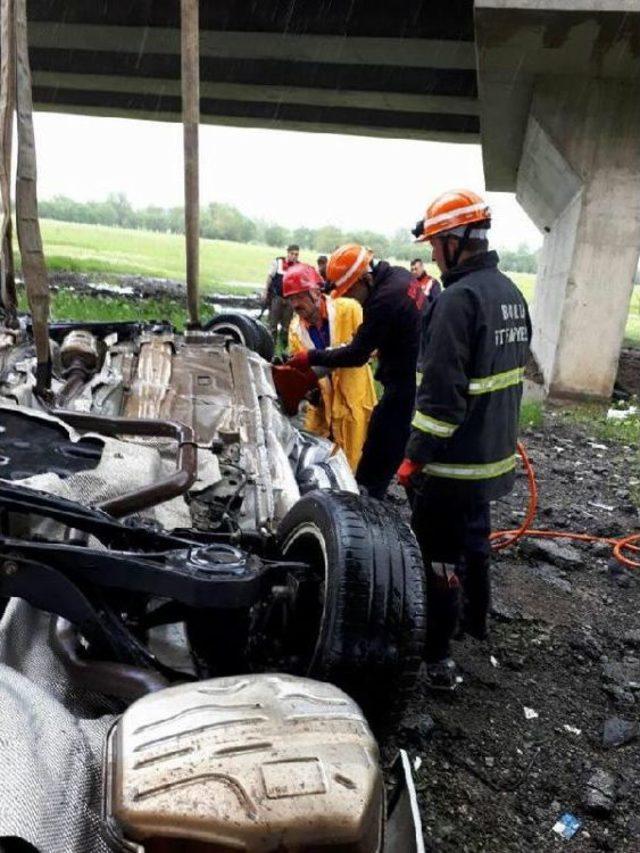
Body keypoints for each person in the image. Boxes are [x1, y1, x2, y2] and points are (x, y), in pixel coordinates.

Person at [397, 189, 531, 689]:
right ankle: (475, 623)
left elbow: (442, 398)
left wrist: (413, 458)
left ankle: (436, 658)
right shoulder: (510, 295)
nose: (432, 253)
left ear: (457, 241)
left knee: (438, 557)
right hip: (490, 461)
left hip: (452, 467)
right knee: (474, 544)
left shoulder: (458, 300)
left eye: (436, 243)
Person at [287, 243, 423, 499]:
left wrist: (312, 357)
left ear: (365, 279)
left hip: (387, 391)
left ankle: (368, 506)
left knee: (372, 463)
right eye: (291, 298)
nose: (350, 296)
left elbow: (358, 353)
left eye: (351, 290)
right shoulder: (400, 277)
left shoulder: (377, 303)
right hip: (338, 405)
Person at [284, 262, 376, 471]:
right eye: (290, 298)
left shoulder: (350, 309)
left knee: (357, 463)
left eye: (299, 296)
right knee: (322, 467)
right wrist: (306, 389)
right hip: (323, 411)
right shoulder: (295, 330)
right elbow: (303, 370)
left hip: (355, 401)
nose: (295, 304)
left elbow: (371, 348)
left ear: (316, 292)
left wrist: (332, 356)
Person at [264, 244, 299, 350]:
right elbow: (269, 277)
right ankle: (271, 347)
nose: (294, 256)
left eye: (296, 254)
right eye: (292, 254)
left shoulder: (298, 266)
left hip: (290, 300)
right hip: (277, 298)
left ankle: (284, 348)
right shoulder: (277, 262)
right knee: (272, 326)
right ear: (287, 253)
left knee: (286, 327)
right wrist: (265, 291)